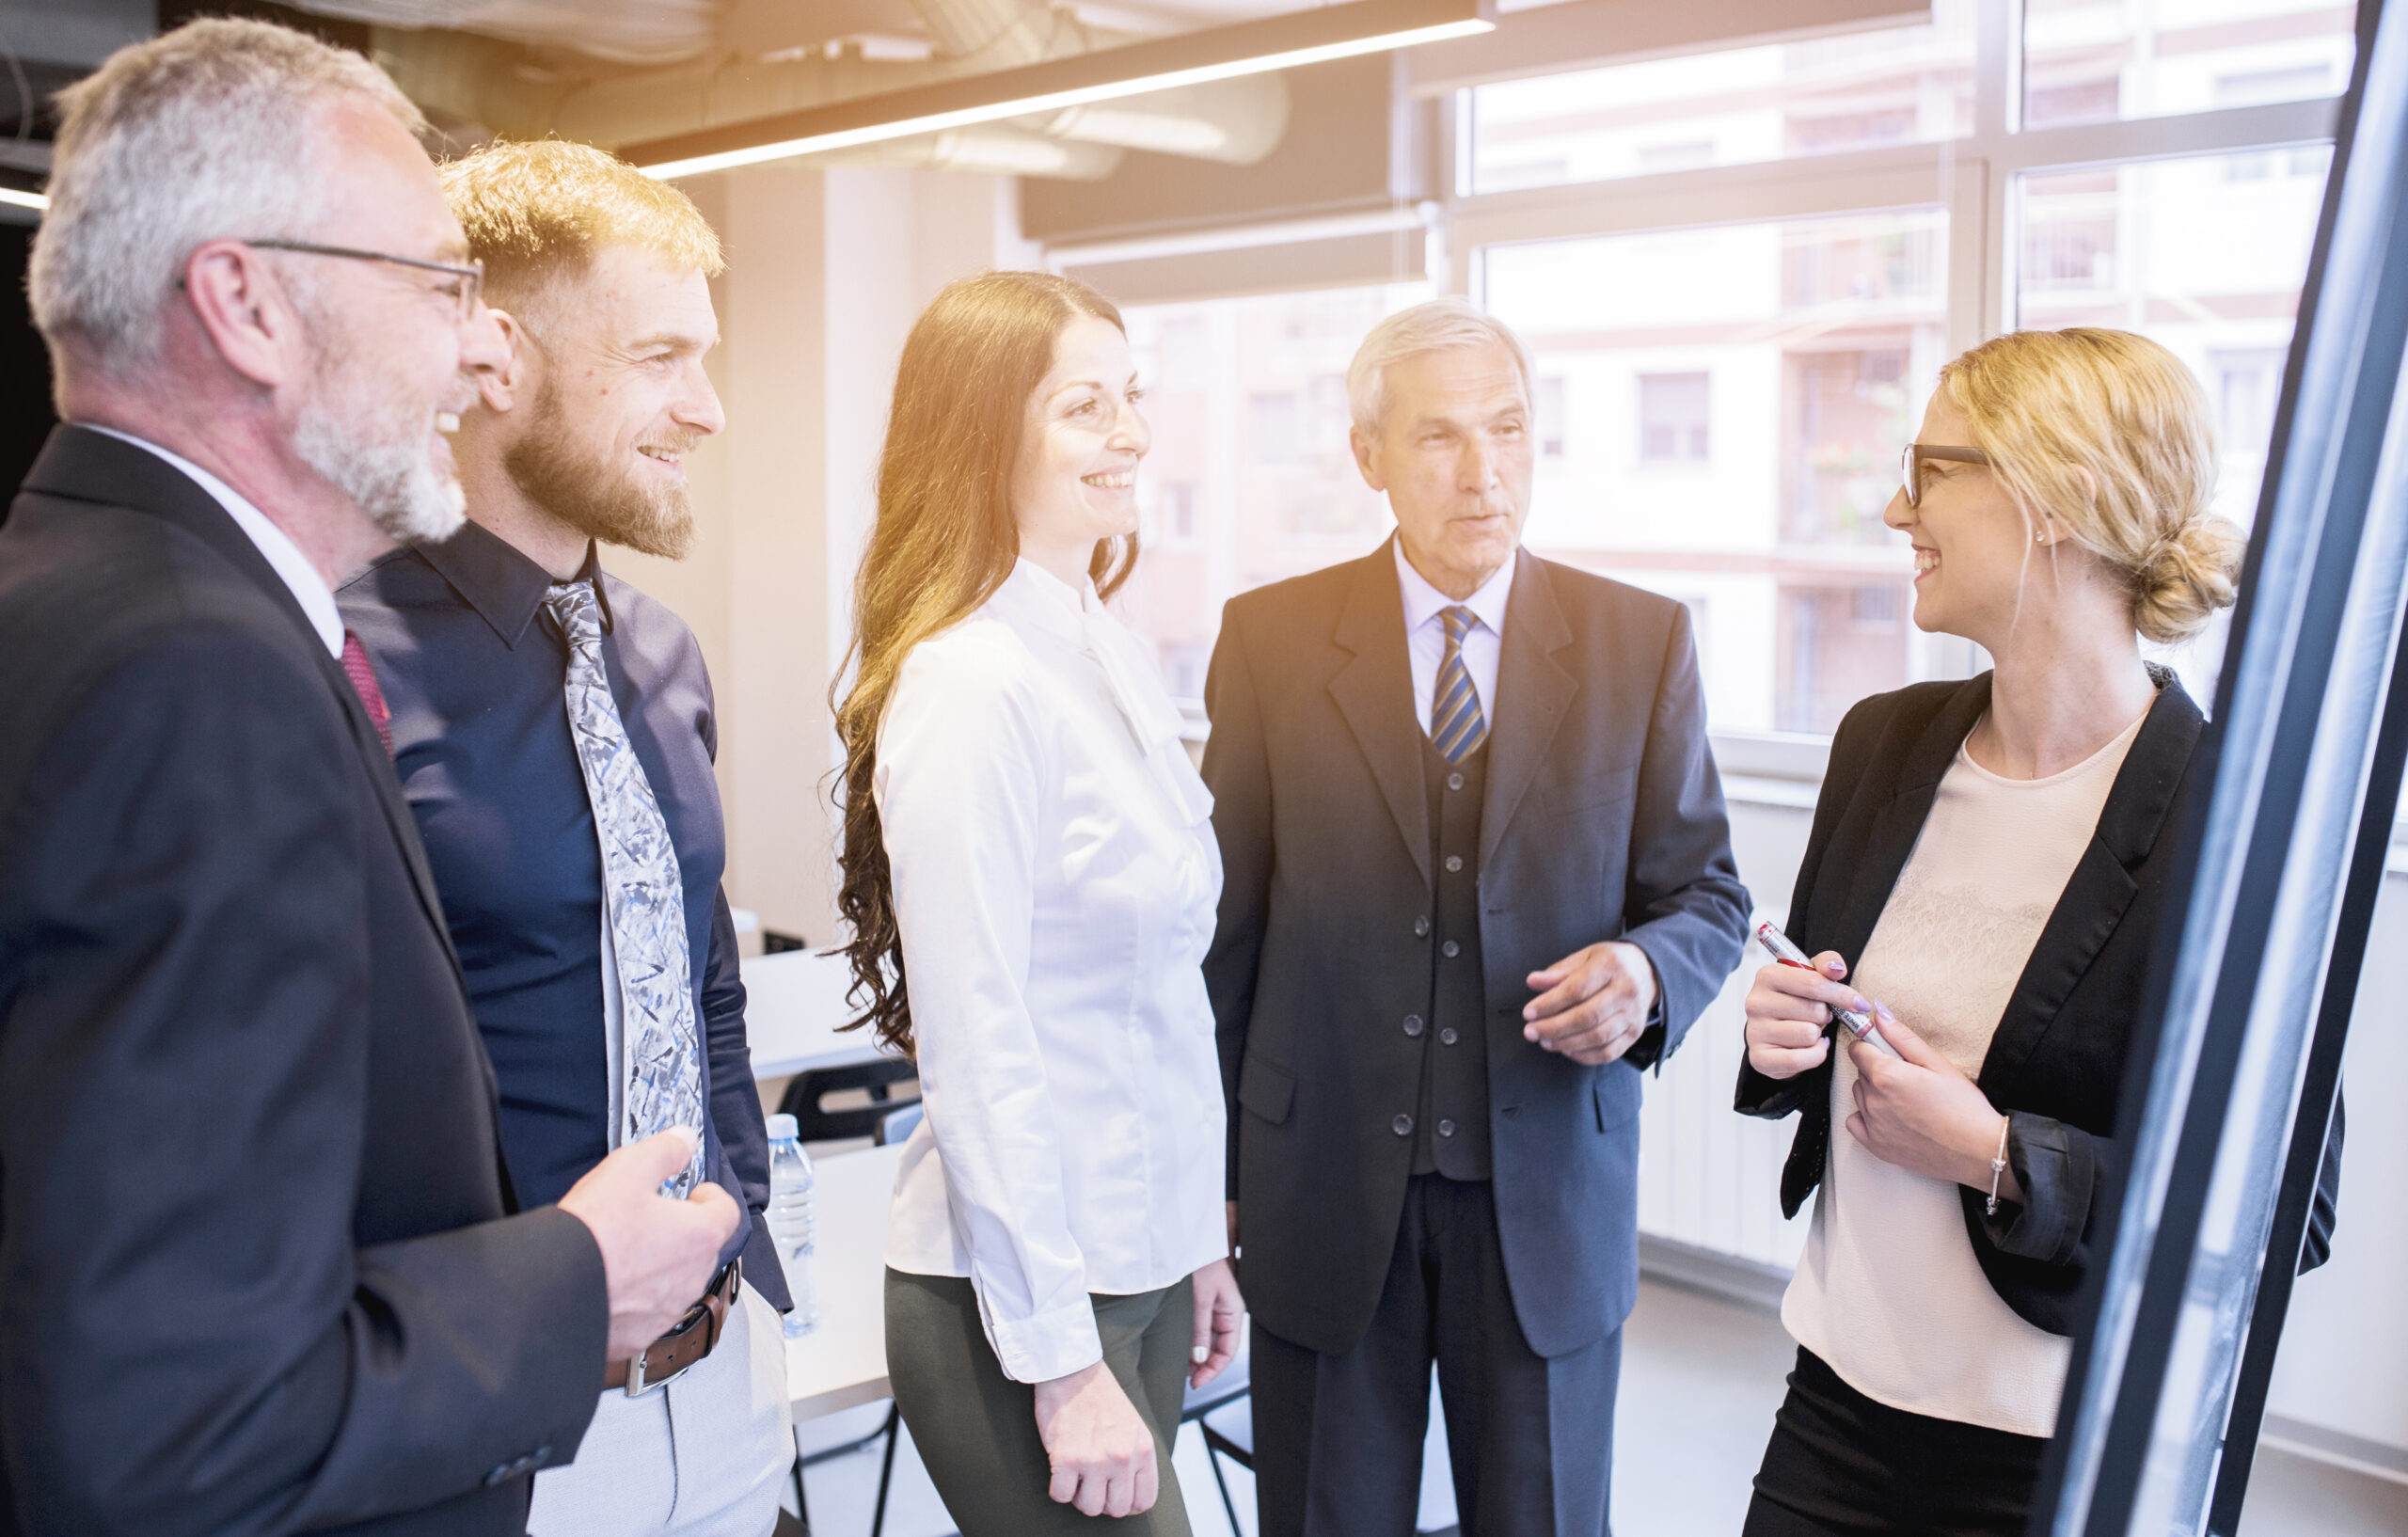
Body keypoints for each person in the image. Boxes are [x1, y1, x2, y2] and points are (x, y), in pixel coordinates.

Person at [0, 20, 741, 1537]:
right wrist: (575, 1279)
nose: (474, 348)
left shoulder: (91, 589)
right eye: (437, 286)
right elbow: (169, 1417)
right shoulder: (190, 674)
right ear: (246, 305)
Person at [1734, 327, 2344, 1536]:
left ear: (2054, 499)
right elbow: (1828, 1036)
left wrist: (2001, 1154)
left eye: (1931, 468)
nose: (1898, 507)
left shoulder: (2234, 820)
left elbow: (2287, 1209)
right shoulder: (1881, 743)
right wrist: (1781, 1038)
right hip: (1834, 1404)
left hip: (2064, 1454)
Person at [1202, 296, 1751, 1536]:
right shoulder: (1269, 642)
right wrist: (1212, 1177)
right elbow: (1225, 933)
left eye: (1508, 430)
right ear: (1370, 458)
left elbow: (1707, 892)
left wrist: (1647, 971)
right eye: (1441, 437)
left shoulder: (1638, 641)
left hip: (1548, 1195)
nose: (1484, 470)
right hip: (1323, 1189)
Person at [337, 139, 793, 1537]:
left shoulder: (661, 655)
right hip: (502, 1425)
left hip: (722, 1389)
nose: (705, 409)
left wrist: (745, 1229)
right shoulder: (338, 658)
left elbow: (703, 966)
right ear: (496, 358)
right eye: (660, 356)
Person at [830, 270, 1244, 1534]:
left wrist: (1197, 1241)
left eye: (1131, 400)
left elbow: (1156, 1000)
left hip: (1142, 1256)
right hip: (1019, 1302)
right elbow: (982, 1044)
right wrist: (1064, 1363)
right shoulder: (970, 683)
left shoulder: (1100, 640)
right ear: (981, 433)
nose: (1129, 436)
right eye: (1085, 407)